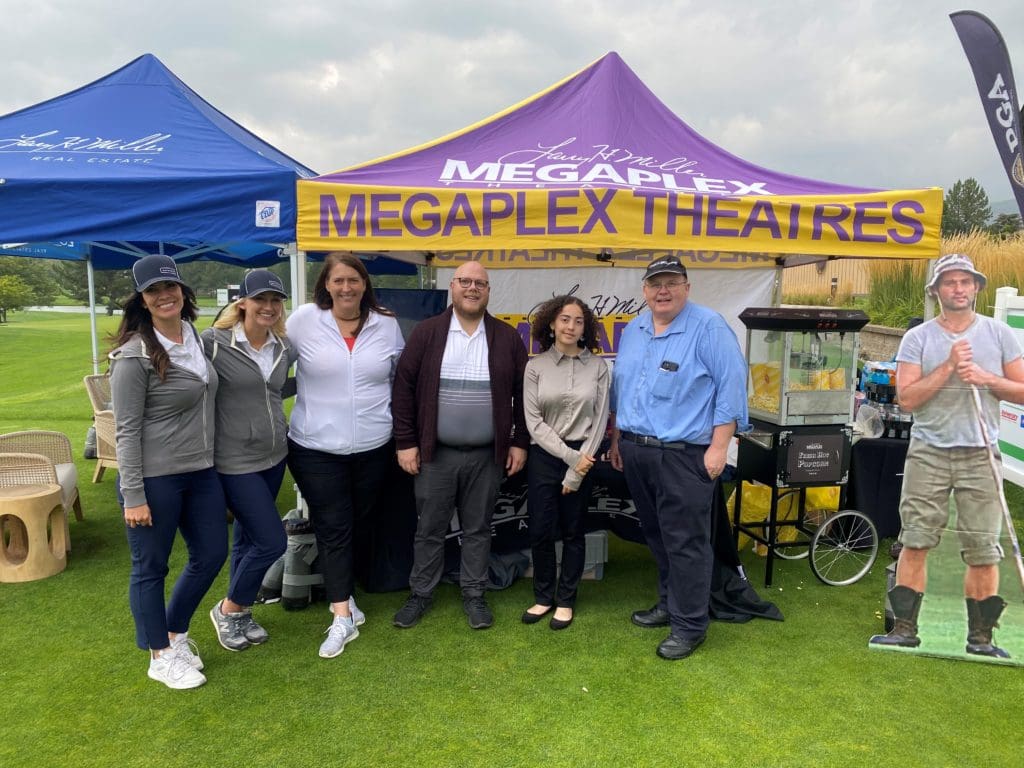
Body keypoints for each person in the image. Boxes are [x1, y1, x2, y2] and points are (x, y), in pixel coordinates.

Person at [870, 253, 1024, 657]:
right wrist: (949, 367)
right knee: (916, 540)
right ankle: (904, 629)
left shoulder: (999, 335)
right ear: (936, 290)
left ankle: (982, 639)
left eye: (965, 281)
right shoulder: (918, 338)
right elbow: (907, 399)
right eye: (950, 282)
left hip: (980, 452)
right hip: (929, 452)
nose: (958, 288)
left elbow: (1022, 390)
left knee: (982, 547)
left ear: (977, 287)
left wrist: (986, 378)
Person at [609, 255, 748, 660]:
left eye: (671, 282)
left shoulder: (709, 327)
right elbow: (625, 388)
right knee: (657, 535)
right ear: (644, 290)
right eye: (655, 284)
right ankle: (669, 604)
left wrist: (720, 446)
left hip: (685, 455)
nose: (662, 290)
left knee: (687, 543)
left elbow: (732, 388)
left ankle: (689, 625)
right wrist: (619, 439)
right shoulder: (634, 329)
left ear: (687, 287)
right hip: (637, 450)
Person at [109, 254, 226, 689]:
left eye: (170, 287)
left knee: (212, 553)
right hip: (155, 478)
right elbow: (125, 431)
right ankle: (159, 655)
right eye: (154, 291)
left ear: (183, 292)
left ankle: (174, 632)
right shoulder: (133, 355)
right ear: (142, 299)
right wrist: (133, 494)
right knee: (150, 566)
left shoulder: (196, 338)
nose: (164, 296)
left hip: (202, 471)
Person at [391, 261, 529, 630]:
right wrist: (406, 442)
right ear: (452, 287)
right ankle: (421, 593)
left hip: (487, 456)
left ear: (488, 290)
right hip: (437, 455)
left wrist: (518, 442)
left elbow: (522, 394)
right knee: (430, 529)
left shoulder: (506, 337)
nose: (472, 288)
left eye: (480, 283)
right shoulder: (427, 333)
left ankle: (474, 594)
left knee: (478, 529)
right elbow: (403, 389)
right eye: (465, 281)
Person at [286, 252, 405, 659]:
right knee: (334, 526)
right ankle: (341, 616)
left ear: (364, 284)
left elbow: (398, 378)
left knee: (357, 523)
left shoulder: (386, 324)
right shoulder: (303, 320)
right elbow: (271, 358)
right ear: (326, 285)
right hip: (316, 447)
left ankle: (345, 594)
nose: (346, 288)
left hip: (374, 447)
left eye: (353, 280)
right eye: (338, 281)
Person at [201, 269, 296, 652]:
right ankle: (229, 608)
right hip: (233, 460)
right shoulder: (213, 343)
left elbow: (272, 390)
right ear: (242, 303)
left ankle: (239, 616)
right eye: (260, 300)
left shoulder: (284, 346)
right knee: (272, 541)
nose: (269, 307)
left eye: (276, 300)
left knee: (246, 538)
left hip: (274, 456)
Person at [521, 295, 610, 630]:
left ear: (585, 327)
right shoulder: (535, 366)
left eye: (578, 321)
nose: (571, 326)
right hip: (546, 456)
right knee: (541, 530)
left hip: (583, 453)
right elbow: (534, 422)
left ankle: (566, 600)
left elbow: (600, 419)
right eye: (564, 319)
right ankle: (544, 597)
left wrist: (579, 468)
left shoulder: (598, 367)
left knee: (574, 532)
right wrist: (574, 460)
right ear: (551, 324)